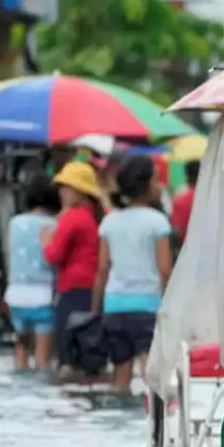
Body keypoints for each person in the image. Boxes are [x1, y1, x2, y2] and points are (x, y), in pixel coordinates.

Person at [94, 155, 174, 393]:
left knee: (120, 376)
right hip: (147, 307)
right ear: (145, 184)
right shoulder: (158, 222)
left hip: (115, 306)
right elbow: (165, 270)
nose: (161, 186)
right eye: (157, 180)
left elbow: (102, 269)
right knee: (152, 376)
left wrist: (95, 308)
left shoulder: (109, 221)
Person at [42, 161, 107, 378]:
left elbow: (54, 256)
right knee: (90, 352)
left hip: (71, 292)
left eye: (66, 188)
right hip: (95, 291)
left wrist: (46, 241)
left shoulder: (72, 218)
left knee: (68, 359)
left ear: (78, 192)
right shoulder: (99, 216)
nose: (61, 193)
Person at [6, 174, 61, 371]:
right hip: (43, 294)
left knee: (21, 348)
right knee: (42, 357)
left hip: (16, 294)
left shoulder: (14, 223)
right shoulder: (55, 225)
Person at [170, 159, 199, 246]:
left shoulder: (180, 200)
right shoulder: (213, 199)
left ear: (187, 176)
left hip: (187, 250)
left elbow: (178, 231)